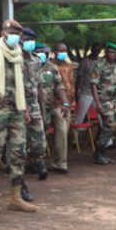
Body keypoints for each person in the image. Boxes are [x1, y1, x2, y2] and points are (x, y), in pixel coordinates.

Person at [0, 19, 36, 213]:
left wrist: (25, 109)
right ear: (3, 32)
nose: (16, 35)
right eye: (12, 31)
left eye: (18, 33)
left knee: (19, 152)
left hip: (16, 110)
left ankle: (15, 197)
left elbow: (21, 85)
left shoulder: (18, 55)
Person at [90, 41, 116, 165]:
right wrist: (97, 103)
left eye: (115, 52)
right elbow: (93, 85)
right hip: (103, 99)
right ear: (106, 52)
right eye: (111, 52)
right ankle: (99, 152)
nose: (113, 54)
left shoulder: (115, 67)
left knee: (108, 126)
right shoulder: (99, 65)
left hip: (113, 100)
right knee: (110, 125)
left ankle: (101, 153)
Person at [39, 43, 70, 174]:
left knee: (62, 132)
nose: (44, 56)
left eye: (46, 53)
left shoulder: (51, 67)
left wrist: (65, 103)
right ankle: (36, 162)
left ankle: (60, 163)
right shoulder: (27, 66)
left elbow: (59, 85)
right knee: (38, 137)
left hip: (53, 105)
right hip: (34, 108)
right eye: (41, 53)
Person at [21, 28, 47, 186]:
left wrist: (43, 110)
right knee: (19, 144)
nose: (29, 41)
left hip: (34, 105)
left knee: (40, 146)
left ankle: (29, 162)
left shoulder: (36, 60)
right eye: (26, 38)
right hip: (18, 105)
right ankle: (19, 181)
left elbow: (39, 87)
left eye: (31, 39)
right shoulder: (13, 59)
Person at [48, 42, 73, 174]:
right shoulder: (50, 66)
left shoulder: (69, 66)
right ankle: (61, 163)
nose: (63, 53)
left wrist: (69, 103)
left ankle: (55, 160)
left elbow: (71, 85)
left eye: (65, 50)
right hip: (56, 104)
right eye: (60, 50)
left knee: (62, 135)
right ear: (55, 51)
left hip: (67, 104)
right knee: (62, 133)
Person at [75, 42, 101, 124]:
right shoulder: (84, 62)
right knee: (79, 118)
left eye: (98, 51)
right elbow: (78, 78)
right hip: (86, 93)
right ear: (91, 50)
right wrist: (76, 92)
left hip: (99, 94)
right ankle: (76, 136)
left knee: (102, 118)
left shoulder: (101, 62)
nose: (97, 52)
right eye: (95, 50)